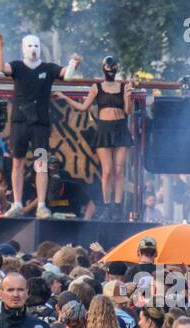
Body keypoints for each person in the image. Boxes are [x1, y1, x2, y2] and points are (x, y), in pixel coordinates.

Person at [0, 32, 80, 219]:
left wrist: (73, 63)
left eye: (36, 46)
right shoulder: (17, 66)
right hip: (19, 123)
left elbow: (67, 76)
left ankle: (41, 205)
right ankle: (16, 203)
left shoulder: (48, 68)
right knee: (17, 162)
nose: (33, 49)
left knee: (41, 164)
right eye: (30, 46)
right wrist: (0, 46)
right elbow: (2, 67)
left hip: (40, 124)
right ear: (24, 48)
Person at [55, 54, 133, 220]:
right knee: (107, 171)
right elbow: (83, 107)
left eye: (113, 67)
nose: (111, 70)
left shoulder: (123, 86)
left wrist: (128, 98)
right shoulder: (96, 87)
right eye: (108, 67)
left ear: (116, 69)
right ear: (103, 68)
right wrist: (65, 97)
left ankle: (118, 206)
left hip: (120, 128)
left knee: (119, 170)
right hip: (104, 129)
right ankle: (106, 205)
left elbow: (128, 112)